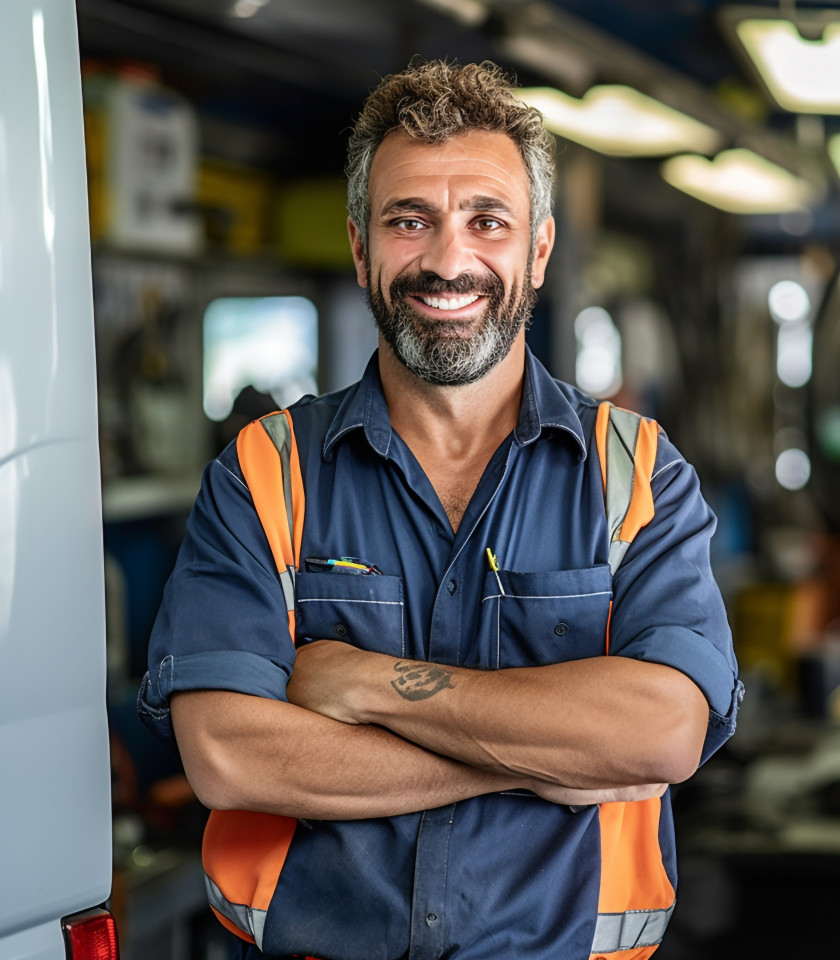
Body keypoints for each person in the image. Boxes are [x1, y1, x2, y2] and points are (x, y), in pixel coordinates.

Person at [139, 59, 743, 960]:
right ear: (360, 247)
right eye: (409, 220)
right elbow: (230, 754)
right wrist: (554, 762)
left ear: (538, 249)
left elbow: (660, 734)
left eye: (486, 222)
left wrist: (366, 685)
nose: (448, 261)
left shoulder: (637, 473)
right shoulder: (266, 472)